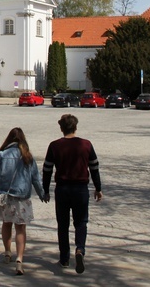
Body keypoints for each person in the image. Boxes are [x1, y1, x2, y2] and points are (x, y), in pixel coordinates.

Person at [42, 114, 102, 274]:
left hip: (62, 189)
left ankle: (64, 259)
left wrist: (45, 190)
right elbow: (94, 167)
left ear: (61, 128)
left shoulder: (54, 146)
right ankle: (80, 250)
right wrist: (98, 187)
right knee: (81, 222)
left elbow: (47, 169)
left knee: (63, 225)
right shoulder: (86, 145)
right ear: (76, 127)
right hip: (81, 189)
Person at [0, 127, 46, 276]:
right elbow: (36, 178)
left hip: (4, 196)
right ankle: (19, 259)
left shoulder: (1, 155)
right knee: (20, 228)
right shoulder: (27, 156)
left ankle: (7, 252)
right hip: (21, 197)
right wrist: (42, 194)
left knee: (6, 224)